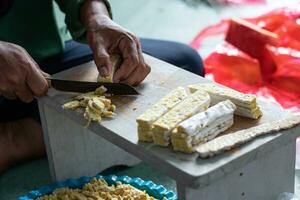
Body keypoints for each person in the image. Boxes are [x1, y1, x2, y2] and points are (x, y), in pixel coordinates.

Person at [0, 0, 204, 173]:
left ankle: (26, 135)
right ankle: (14, 140)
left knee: (185, 63)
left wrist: (96, 15)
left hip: (44, 51)